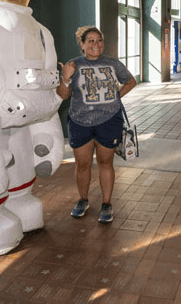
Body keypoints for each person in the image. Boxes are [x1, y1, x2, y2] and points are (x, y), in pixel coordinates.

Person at [57, 26, 137, 223]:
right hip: (80, 122)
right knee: (82, 165)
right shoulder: (73, 65)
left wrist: (114, 97)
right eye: (90, 41)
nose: (96, 44)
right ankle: (83, 200)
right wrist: (65, 78)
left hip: (109, 121)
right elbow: (62, 95)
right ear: (82, 44)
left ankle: (106, 204)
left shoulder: (113, 64)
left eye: (99, 40)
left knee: (105, 163)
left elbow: (130, 81)